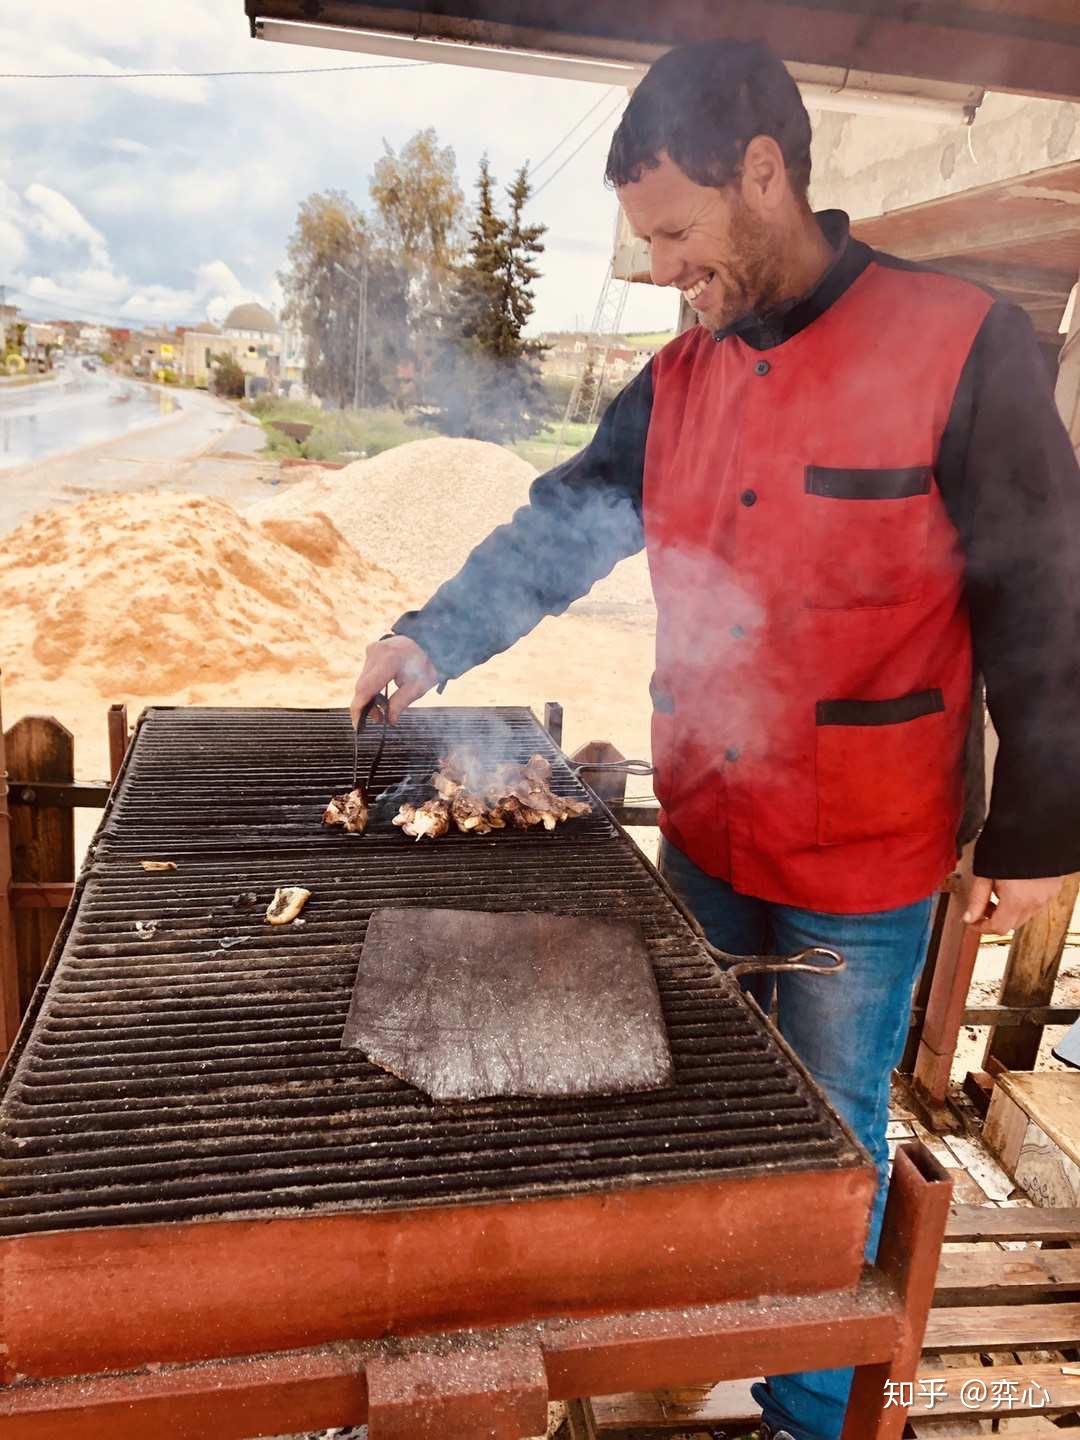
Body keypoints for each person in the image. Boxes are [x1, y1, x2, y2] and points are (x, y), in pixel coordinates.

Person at [349, 38, 1080, 1440]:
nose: (668, 271)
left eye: (680, 235)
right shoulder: (680, 376)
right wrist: (430, 633)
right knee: (690, 1111)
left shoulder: (959, 344)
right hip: (701, 829)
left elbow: (1050, 594)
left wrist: (1044, 830)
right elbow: (564, 525)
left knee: (821, 1137)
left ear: (764, 175)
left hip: (861, 857)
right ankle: (686, 1338)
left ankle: (812, 1407)